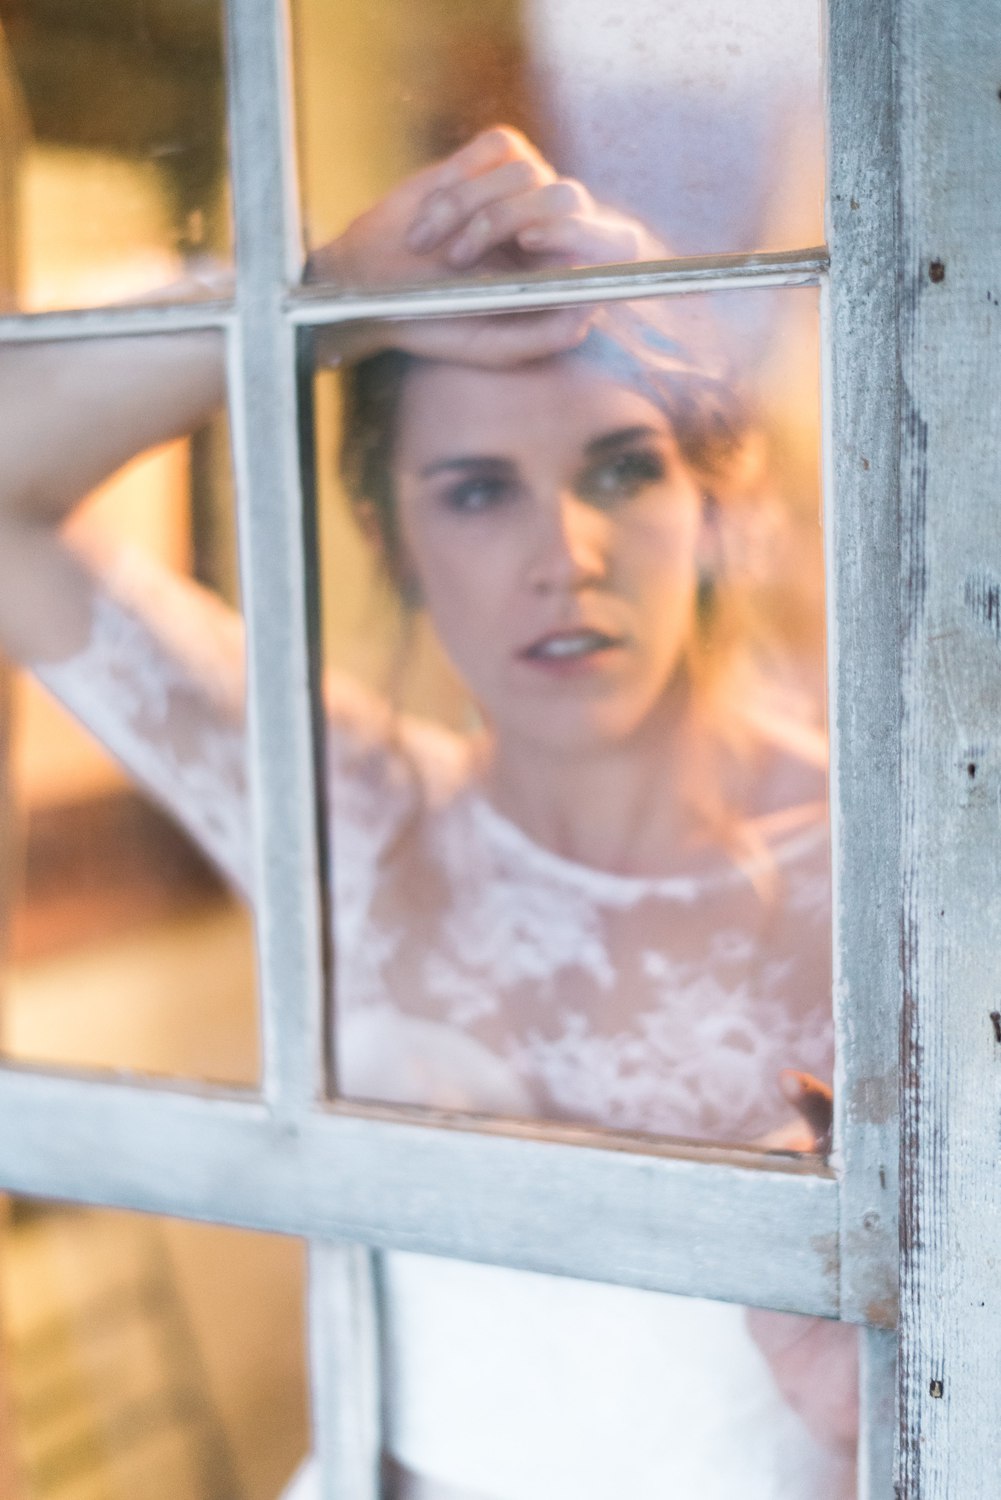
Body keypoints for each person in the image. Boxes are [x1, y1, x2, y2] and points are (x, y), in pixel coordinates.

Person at [0, 127, 857, 1499]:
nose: (561, 558)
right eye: (474, 491)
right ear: (390, 538)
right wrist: (329, 295)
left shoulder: (892, 870)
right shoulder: (351, 811)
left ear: (713, 499)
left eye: (622, 469)